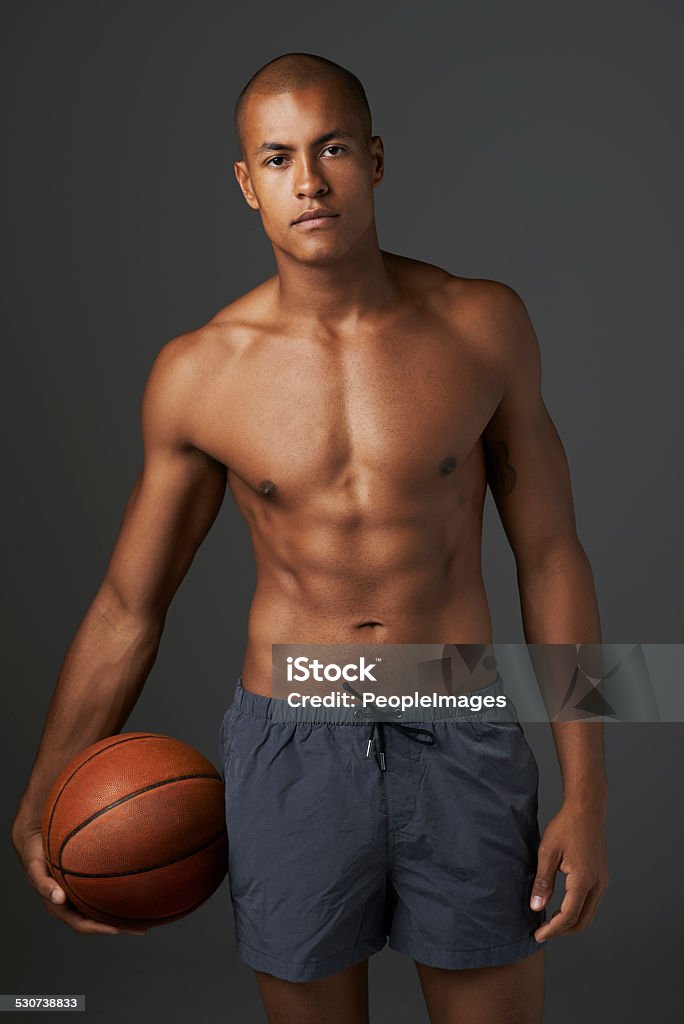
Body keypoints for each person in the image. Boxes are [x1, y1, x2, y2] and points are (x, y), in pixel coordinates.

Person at [11, 51, 609, 1024]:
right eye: (280, 157)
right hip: (291, 737)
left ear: (374, 158)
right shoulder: (198, 373)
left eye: (332, 148)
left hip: (457, 713)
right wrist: (43, 789)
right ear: (248, 185)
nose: (311, 180)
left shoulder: (484, 325)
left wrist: (591, 790)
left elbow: (553, 556)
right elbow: (129, 605)